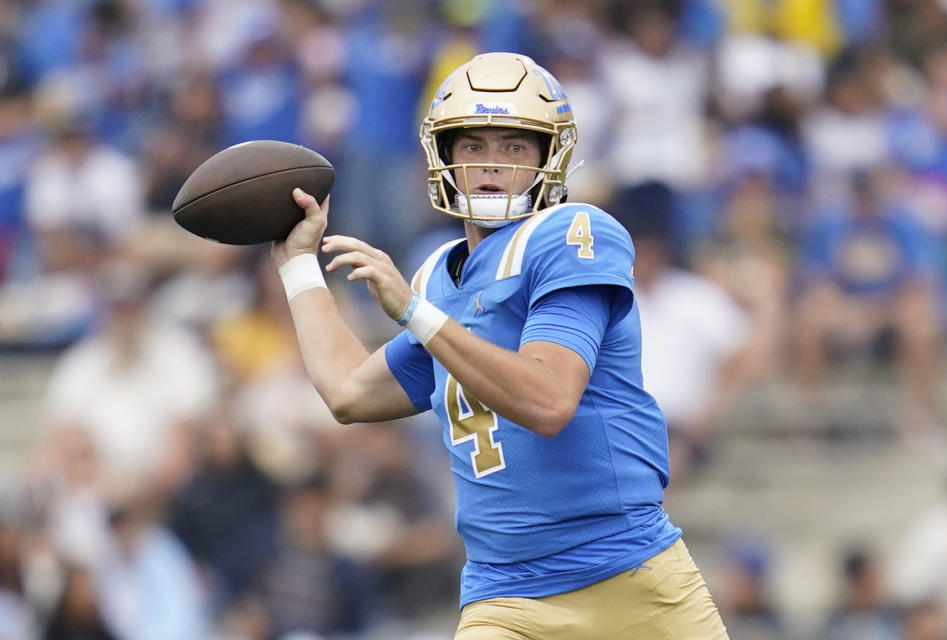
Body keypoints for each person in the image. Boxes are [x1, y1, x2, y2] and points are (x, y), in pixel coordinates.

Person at [271, 52, 728, 638]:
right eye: (473, 146)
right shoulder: (439, 273)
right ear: (446, 158)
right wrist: (299, 266)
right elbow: (348, 392)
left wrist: (413, 313)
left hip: (629, 578)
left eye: (514, 147)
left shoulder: (572, 234)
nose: (491, 164)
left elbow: (548, 401)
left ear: (549, 156)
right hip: (505, 593)